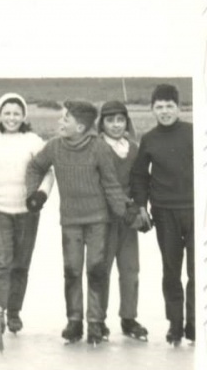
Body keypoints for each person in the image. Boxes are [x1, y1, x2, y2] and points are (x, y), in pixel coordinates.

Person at [25, 100, 134, 345]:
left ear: (81, 127)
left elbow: (111, 184)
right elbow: (35, 167)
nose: (60, 122)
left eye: (65, 119)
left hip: (98, 221)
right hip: (71, 221)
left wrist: (126, 211)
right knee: (72, 271)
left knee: (96, 271)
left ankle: (95, 323)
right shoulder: (54, 147)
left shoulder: (99, 148)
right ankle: (74, 322)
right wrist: (34, 194)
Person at [0, 93, 54, 334]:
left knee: (21, 264)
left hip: (28, 211)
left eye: (16, 113)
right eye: (7, 113)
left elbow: (48, 173)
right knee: (2, 263)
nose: (11, 118)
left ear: (24, 116)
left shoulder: (33, 141)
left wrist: (41, 195)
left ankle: (14, 312)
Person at [130, 84, 195, 345]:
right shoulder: (149, 139)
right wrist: (141, 207)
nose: (165, 111)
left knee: (197, 271)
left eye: (170, 106)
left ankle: (194, 324)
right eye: (160, 107)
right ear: (152, 109)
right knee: (171, 270)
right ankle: (175, 324)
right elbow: (138, 176)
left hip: (194, 211)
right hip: (164, 212)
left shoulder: (194, 133)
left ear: (179, 108)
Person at [97, 100, 150, 340]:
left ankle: (129, 318)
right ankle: (98, 319)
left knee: (130, 270)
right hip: (103, 218)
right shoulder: (96, 147)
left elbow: (140, 181)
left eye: (120, 120)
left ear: (126, 122)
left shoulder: (134, 148)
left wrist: (139, 208)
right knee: (102, 269)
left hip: (128, 219)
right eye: (110, 120)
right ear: (102, 123)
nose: (116, 125)